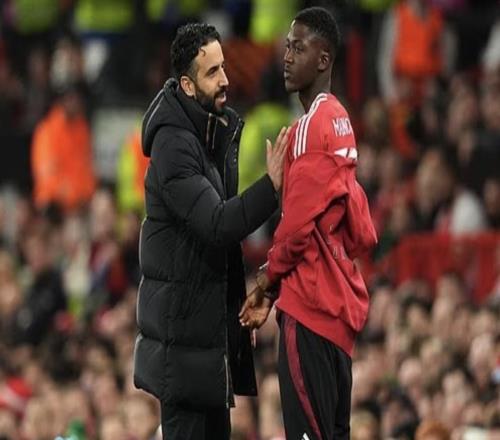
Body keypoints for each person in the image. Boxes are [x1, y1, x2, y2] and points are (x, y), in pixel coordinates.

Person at [133, 23, 289, 440]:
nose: (225, 80)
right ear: (187, 85)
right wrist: (271, 187)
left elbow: (215, 249)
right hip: (183, 355)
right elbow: (217, 224)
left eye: (223, 67)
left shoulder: (205, 133)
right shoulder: (174, 145)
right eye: (212, 72)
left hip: (203, 348)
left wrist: (231, 324)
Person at [239, 7, 378, 440]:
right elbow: (360, 229)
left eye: (298, 48)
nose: (286, 57)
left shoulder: (308, 127)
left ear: (324, 59)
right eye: (286, 47)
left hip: (310, 311)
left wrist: (265, 282)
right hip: (336, 316)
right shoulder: (341, 121)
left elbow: (296, 231)